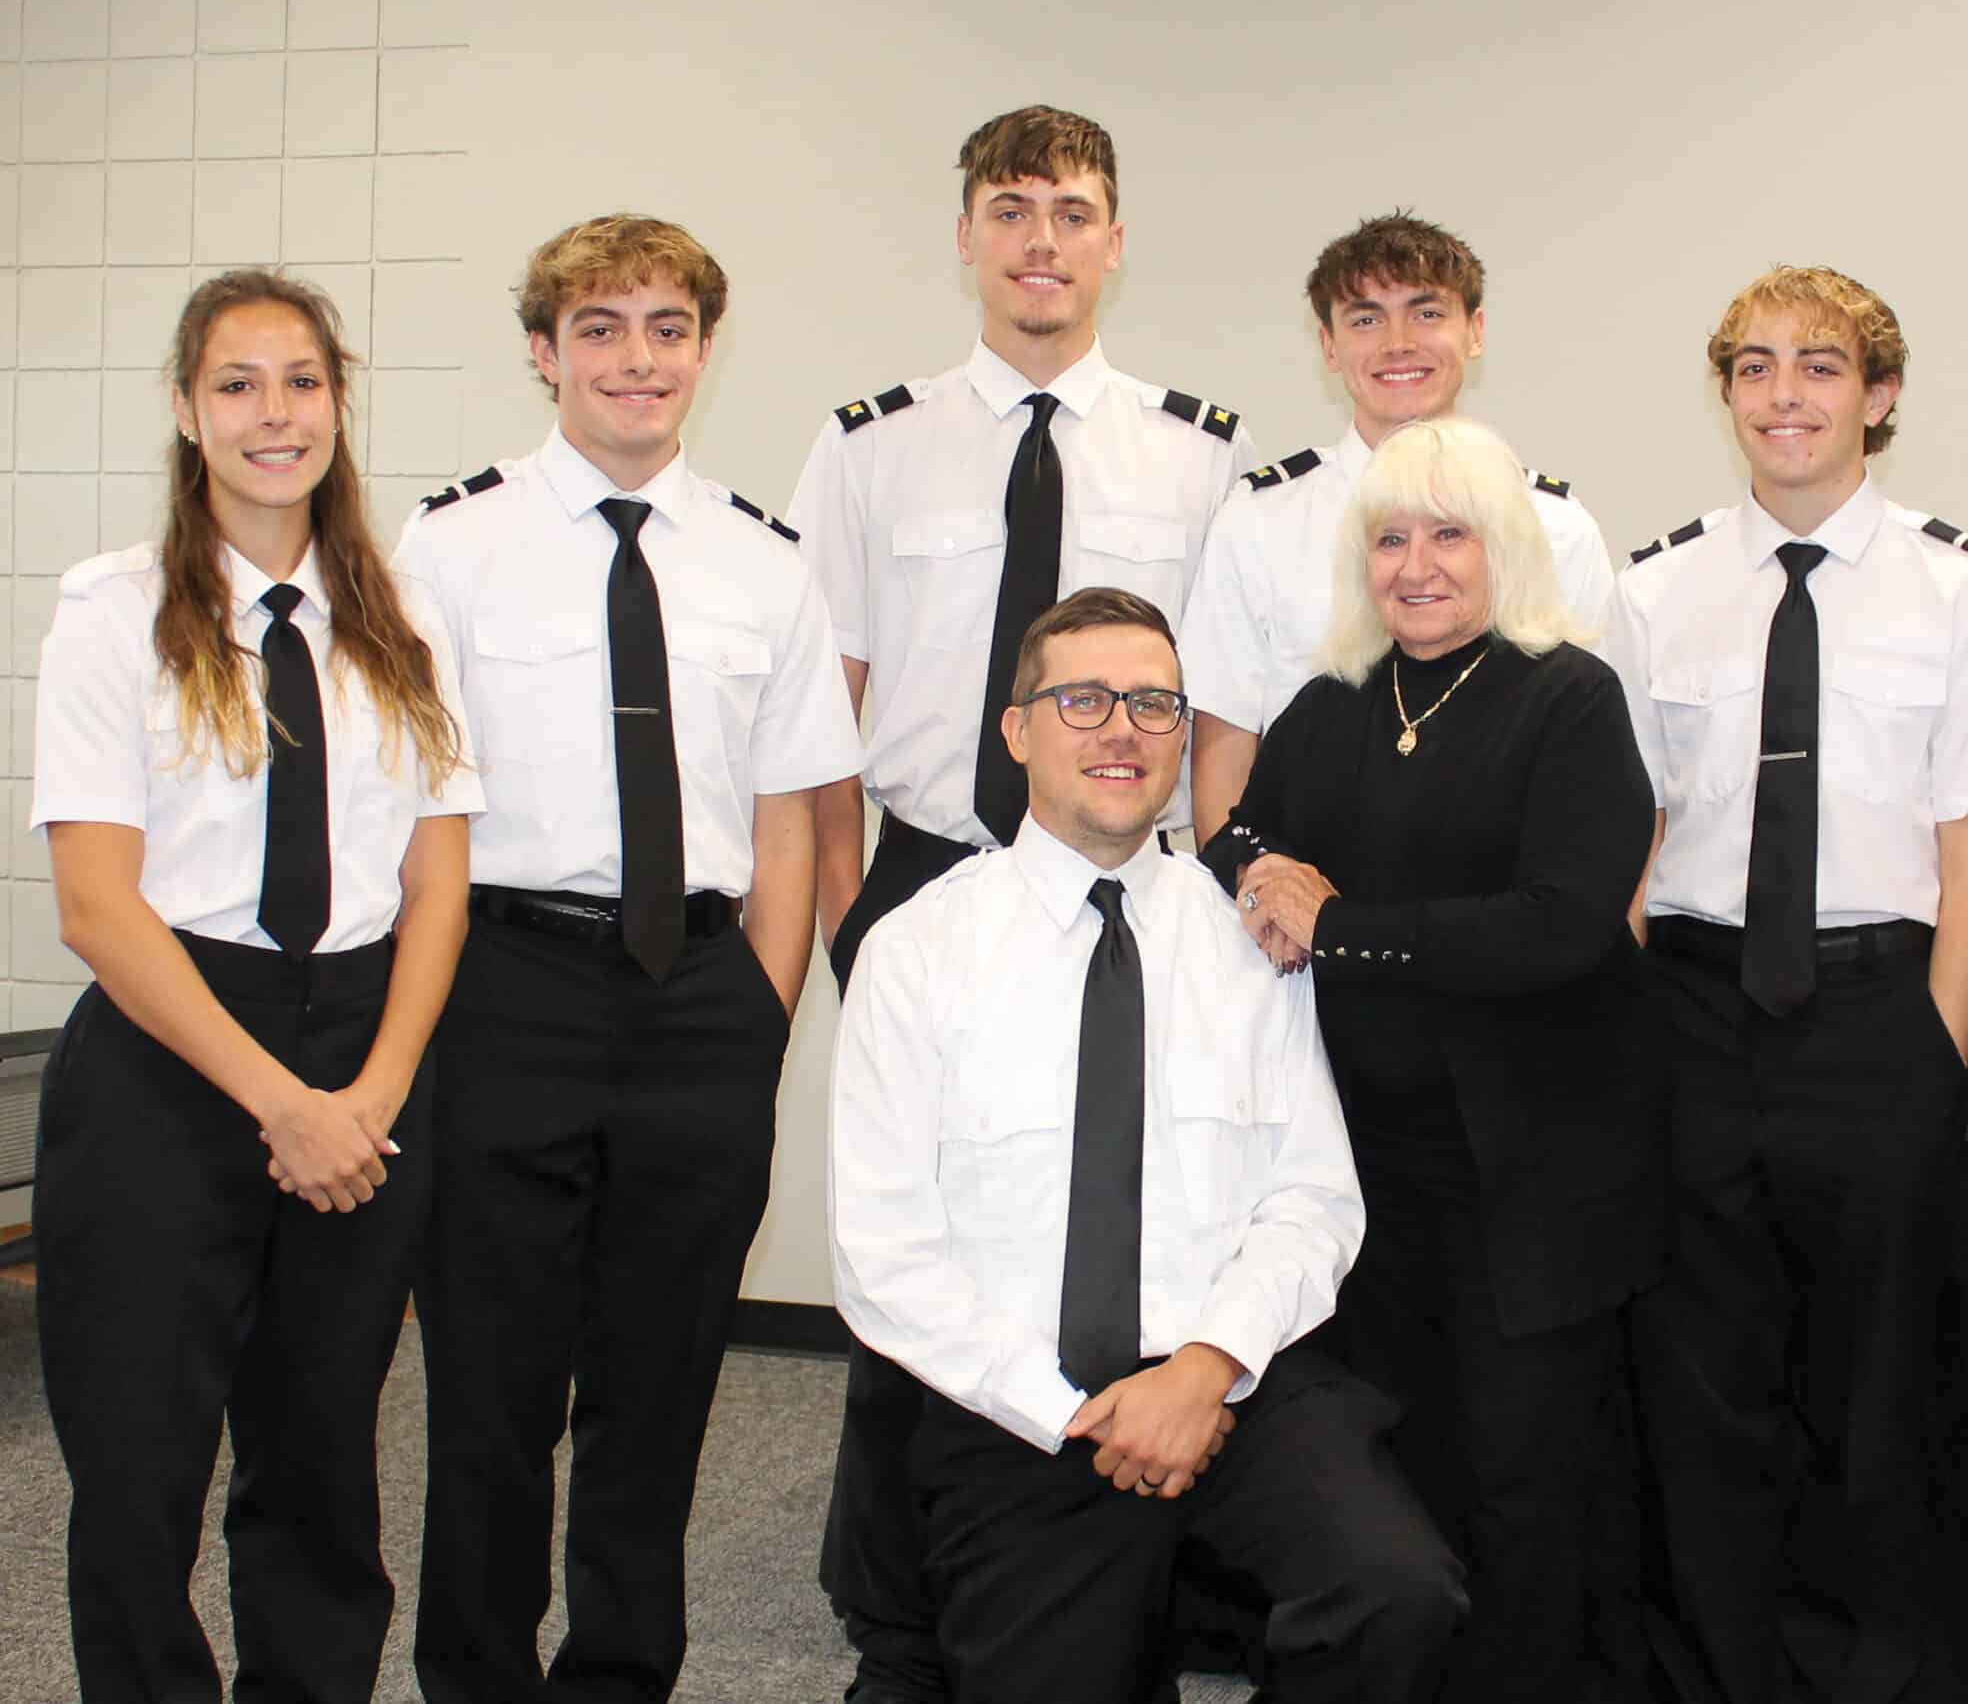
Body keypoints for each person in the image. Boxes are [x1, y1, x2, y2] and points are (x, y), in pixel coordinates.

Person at [785, 103, 1257, 1699]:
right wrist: (851, 920)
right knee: (915, 1233)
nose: (1040, 240)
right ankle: (899, 1606)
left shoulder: (1198, 455)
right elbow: (825, 717)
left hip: (1127, 881)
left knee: (1107, 1219)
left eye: (1070, 211)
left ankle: (1137, 1574)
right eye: (1009, 208)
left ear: (1115, 241)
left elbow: (1220, 704)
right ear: (967, 237)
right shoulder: (869, 446)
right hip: (929, 868)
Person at [831, 585, 1464, 1704]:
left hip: (1226, 1387)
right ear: (1016, 731)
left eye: (1155, 704)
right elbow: (884, 1253)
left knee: (1396, 1596)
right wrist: (1068, 1410)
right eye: (1082, 701)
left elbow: (1312, 1201)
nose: (1122, 729)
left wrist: (1206, 1369)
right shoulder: (918, 950)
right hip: (1022, 1409)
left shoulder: (1250, 943)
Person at [398, 214, 863, 1702]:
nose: (636, 358)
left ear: (706, 353)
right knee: (491, 1390)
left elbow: (788, 816)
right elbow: (416, 804)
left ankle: (619, 1675)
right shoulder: (449, 545)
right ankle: (477, 1675)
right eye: (599, 328)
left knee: (658, 1389)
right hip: (506, 990)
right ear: (543, 354)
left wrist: (760, 1016)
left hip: (702, 1005)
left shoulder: (765, 563)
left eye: (668, 328)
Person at [32, 268, 477, 1702]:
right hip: (170, 1053)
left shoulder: (407, 610)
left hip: (363, 1051)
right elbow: (97, 905)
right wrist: (283, 1103)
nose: (273, 414)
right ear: (185, 409)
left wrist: (374, 1093)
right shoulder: (113, 611)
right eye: (236, 384)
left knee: (320, 1456)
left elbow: (438, 881)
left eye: (302, 381)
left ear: (340, 403)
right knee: (139, 1465)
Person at [1197, 416, 1661, 1702]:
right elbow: (1232, 832)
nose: (1415, 566)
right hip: (1370, 1170)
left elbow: (1561, 925)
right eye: (1389, 538)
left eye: (1448, 535)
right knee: (1397, 1463)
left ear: (1502, 546)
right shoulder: (1336, 699)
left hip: (1530, 1174)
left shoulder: (1569, 697)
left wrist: (1341, 927)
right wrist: (1263, 875)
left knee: (1522, 1481)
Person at [1605, 265, 1968, 1702]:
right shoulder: (1652, 590)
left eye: (1822, 366)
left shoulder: (1965, 589)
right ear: (1726, 393)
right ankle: (1721, 1672)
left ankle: (1867, 1674)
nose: (1786, 395)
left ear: (1878, 396)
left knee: (1873, 1387)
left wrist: (1935, 1055)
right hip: (1693, 1011)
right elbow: (1634, 841)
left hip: (1873, 1015)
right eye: (1756, 367)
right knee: (1702, 1381)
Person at [1185, 210, 1618, 843]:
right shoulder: (1257, 523)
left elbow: (1597, 763)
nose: (1398, 343)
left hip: (1503, 893)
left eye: (1427, 313)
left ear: (1475, 331)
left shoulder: (1555, 527)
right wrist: (1246, 888)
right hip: (1298, 889)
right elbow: (1223, 754)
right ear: (1328, 346)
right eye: (1365, 319)